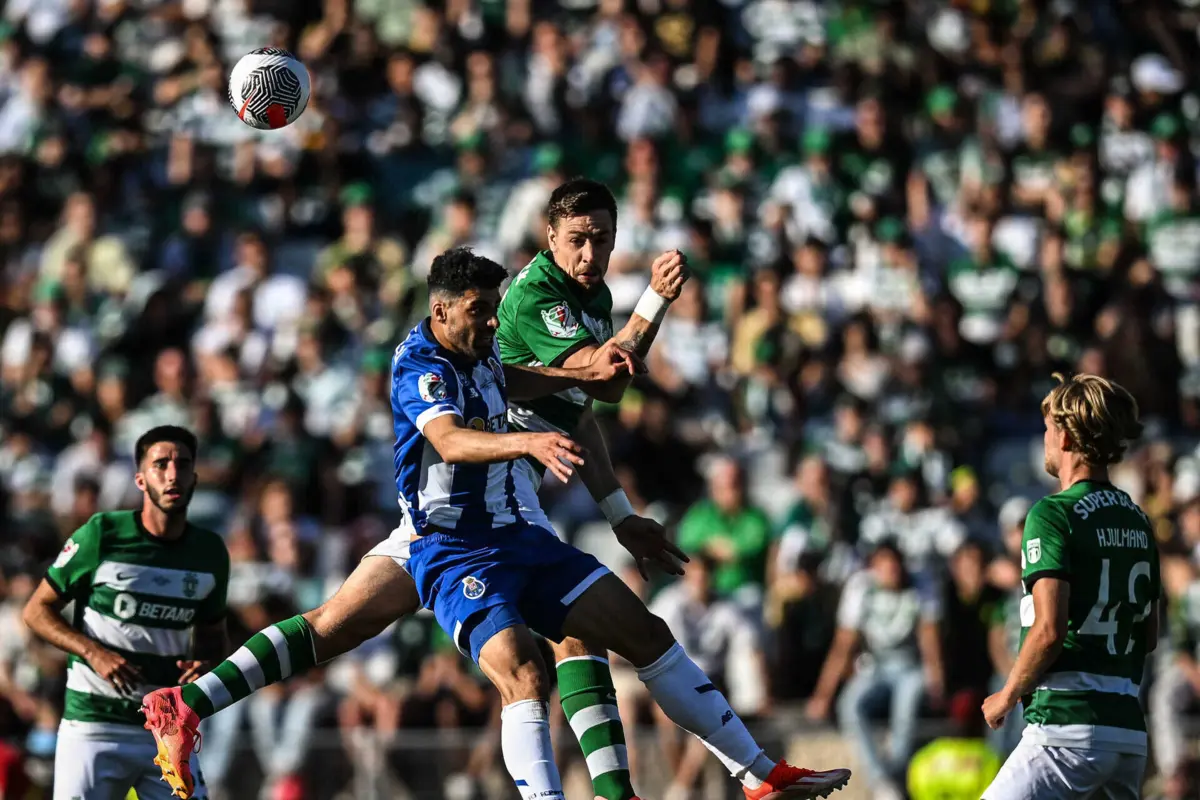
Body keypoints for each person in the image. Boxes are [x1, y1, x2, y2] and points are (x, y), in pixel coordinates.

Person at [137, 246, 671, 799]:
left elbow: (509, 378)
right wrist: (531, 436)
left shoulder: (475, 346)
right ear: (442, 311)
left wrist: (575, 373)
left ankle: (186, 704)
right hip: (440, 534)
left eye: (493, 309)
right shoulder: (421, 361)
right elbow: (449, 440)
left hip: (449, 529)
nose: (492, 320)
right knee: (529, 670)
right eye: (479, 309)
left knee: (330, 628)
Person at [496, 177, 693, 800]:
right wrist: (654, 302)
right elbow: (605, 375)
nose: (589, 254)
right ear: (549, 237)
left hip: (518, 489)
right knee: (565, 649)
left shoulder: (590, 295)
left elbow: (586, 409)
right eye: (577, 240)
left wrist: (619, 516)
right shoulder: (538, 295)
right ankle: (753, 772)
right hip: (485, 485)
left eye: (601, 240)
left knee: (560, 645)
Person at [21, 425, 230, 800]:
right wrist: (93, 652)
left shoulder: (211, 552)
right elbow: (36, 611)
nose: (172, 474)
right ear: (139, 478)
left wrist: (206, 663)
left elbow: (214, 636)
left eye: (182, 465)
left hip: (167, 729)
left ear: (194, 477)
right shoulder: (102, 534)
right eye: (160, 464)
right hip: (93, 725)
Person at [981, 373, 1160, 799]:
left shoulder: (1052, 514)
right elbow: (1149, 635)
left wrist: (1006, 696)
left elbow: (1049, 631)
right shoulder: (1139, 520)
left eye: (1047, 428)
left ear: (1065, 438)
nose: (1043, 438)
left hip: (1066, 730)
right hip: (1127, 732)